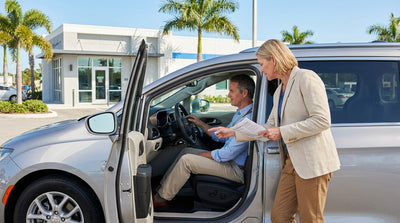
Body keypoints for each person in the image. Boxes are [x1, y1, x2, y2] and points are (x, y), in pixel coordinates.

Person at [210, 39, 340, 223]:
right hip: (291, 162)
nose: (261, 70)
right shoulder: (280, 90)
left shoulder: (306, 78)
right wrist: (232, 133)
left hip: (312, 162)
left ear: (274, 59)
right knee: (279, 217)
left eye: (262, 64)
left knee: (311, 219)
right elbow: (267, 126)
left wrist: (281, 132)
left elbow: (322, 120)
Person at [152, 74, 255, 208]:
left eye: (231, 90)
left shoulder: (248, 120)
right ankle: (162, 188)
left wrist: (202, 155)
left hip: (236, 170)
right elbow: (221, 136)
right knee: (186, 151)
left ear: (244, 93)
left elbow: (226, 154)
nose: (228, 94)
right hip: (230, 162)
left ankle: (161, 198)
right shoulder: (241, 113)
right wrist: (200, 124)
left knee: (187, 160)